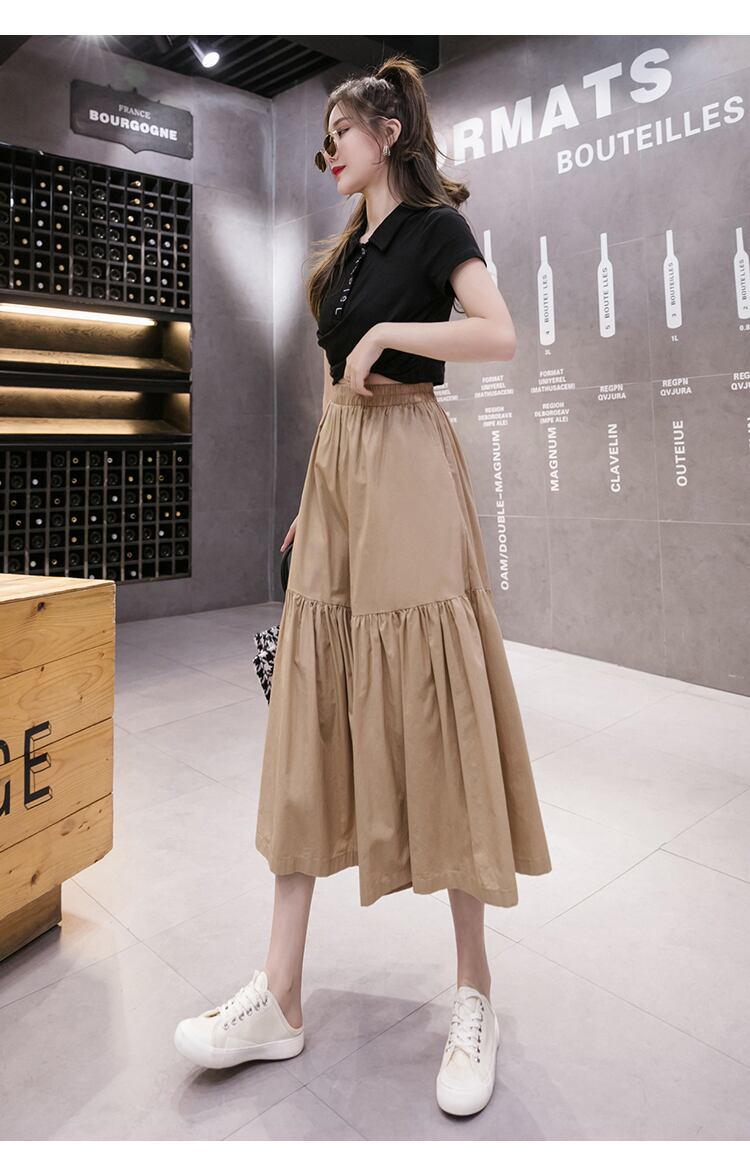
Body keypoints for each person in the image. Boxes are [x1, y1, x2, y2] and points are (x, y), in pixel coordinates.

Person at [174, 54, 552, 1118]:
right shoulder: (343, 256)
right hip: (340, 482)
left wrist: (389, 333)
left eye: (340, 130)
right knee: (309, 714)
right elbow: (336, 395)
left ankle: (473, 991)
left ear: (386, 131)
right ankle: (280, 994)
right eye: (325, 137)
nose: (329, 149)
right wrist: (312, 497)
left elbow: (498, 333)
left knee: (439, 705)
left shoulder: (435, 230)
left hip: (412, 471)